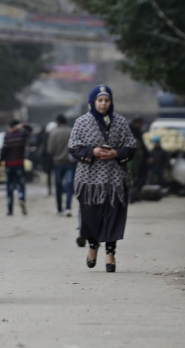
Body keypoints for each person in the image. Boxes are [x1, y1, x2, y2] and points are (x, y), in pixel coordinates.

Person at [68, 85, 137, 273]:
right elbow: (73, 147)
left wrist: (116, 153)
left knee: (114, 216)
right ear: (93, 102)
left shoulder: (121, 122)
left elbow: (131, 147)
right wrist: (93, 152)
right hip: (89, 180)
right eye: (100, 100)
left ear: (111, 102)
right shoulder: (82, 122)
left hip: (115, 180)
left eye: (107, 100)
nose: (103, 104)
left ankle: (110, 253)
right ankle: (93, 246)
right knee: (91, 216)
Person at [0, 119, 31, 216]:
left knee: (9, 187)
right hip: (19, 164)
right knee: (21, 184)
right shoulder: (22, 135)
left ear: (10, 127)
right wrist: (23, 125)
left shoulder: (7, 136)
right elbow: (30, 129)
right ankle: (21, 198)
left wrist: (0, 163)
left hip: (9, 165)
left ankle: (10, 210)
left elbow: (3, 151)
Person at [47, 114, 74, 216]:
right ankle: (68, 208)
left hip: (58, 163)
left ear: (57, 122)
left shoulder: (53, 133)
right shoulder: (71, 131)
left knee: (58, 186)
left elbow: (50, 150)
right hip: (70, 163)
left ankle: (59, 209)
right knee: (69, 185)